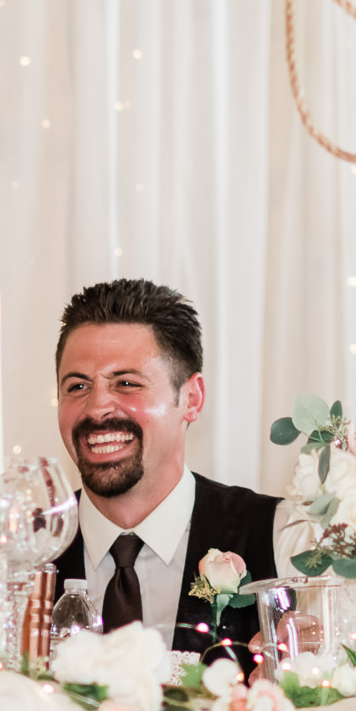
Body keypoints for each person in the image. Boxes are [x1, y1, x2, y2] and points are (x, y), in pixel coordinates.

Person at [50, 278, 283, 658]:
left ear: (191, 399)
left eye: (126, 383)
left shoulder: (276, 535)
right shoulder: (18, 552)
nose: (96, 409)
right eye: (77, 387)